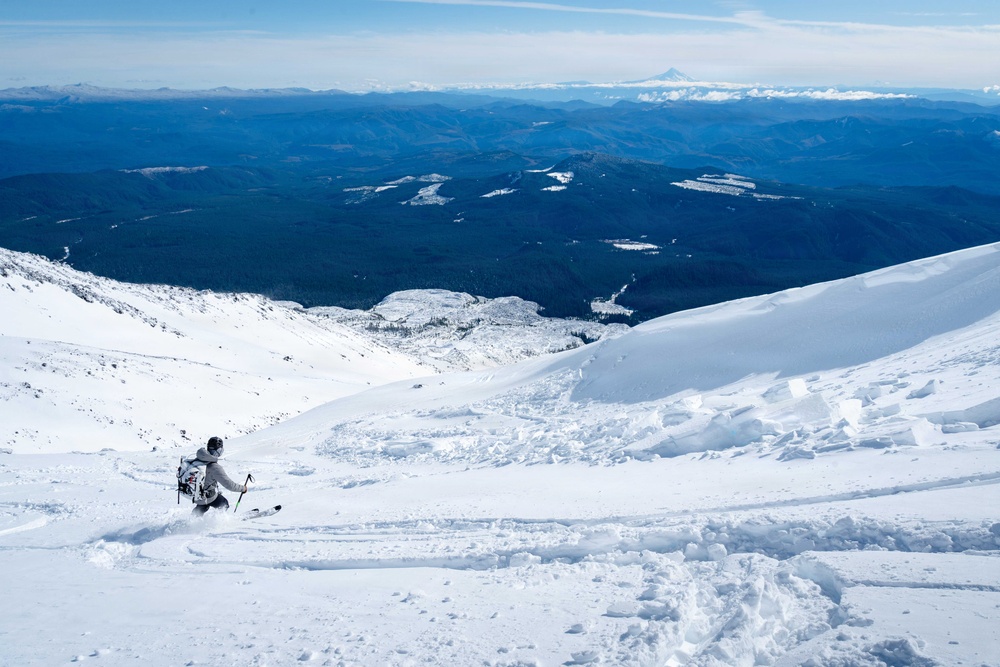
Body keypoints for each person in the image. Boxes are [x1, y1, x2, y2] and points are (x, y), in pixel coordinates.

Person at [191, 436, 249, 516]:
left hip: (196, 495)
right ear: (218, 450)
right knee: (224, 504)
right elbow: (229, 485)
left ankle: (193, 519)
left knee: (203, 505)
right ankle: (218, 522)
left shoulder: (199, 459)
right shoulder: (214, 467)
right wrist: (243, 488)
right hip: (208, 496)